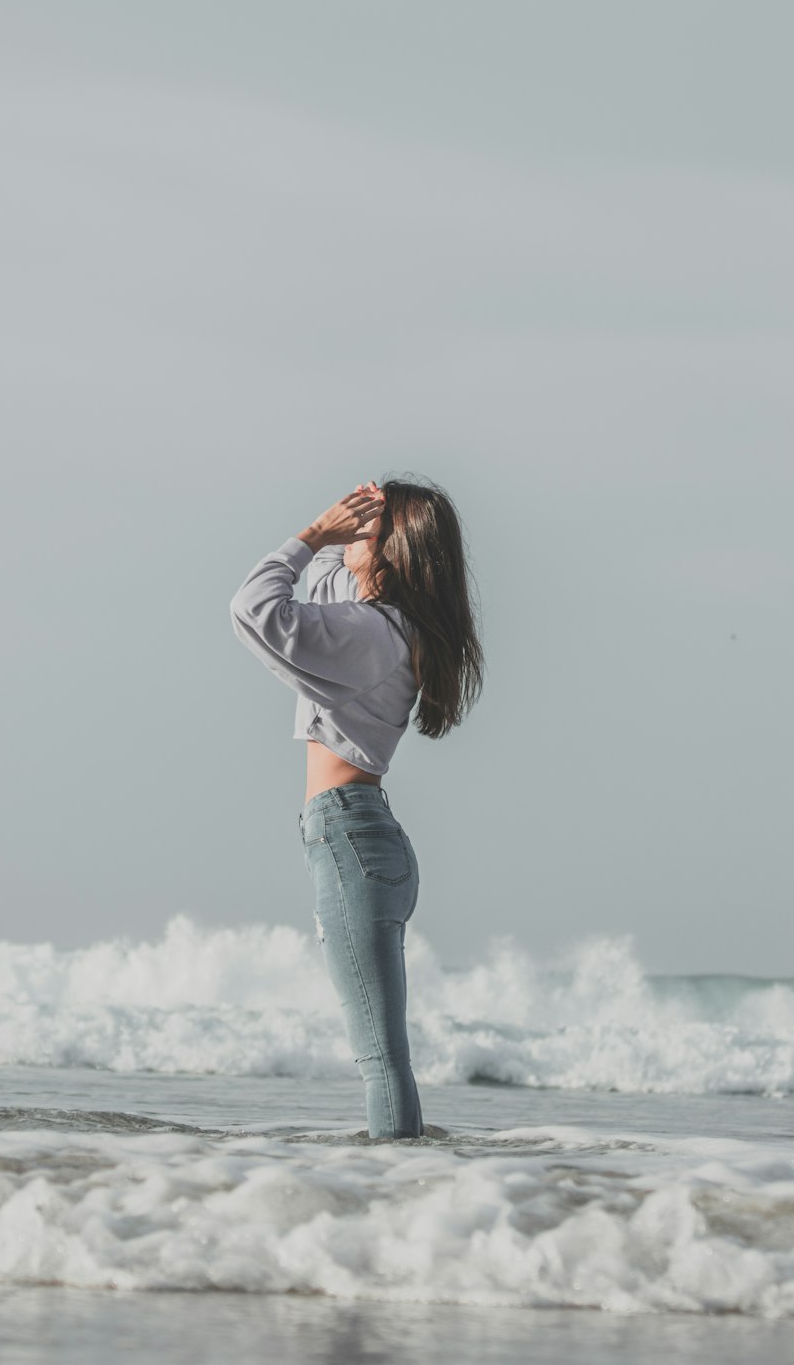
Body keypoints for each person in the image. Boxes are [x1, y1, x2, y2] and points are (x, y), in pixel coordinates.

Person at [229, 476, 484, 1138]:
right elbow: (328, 580)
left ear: (395, 550)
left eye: (371, 528)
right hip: (363, 841)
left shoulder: (370, 634)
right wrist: (346, 530)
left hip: (350, 843)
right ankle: (401, 1191)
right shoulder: (383, 622)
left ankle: (401, 1201)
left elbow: (254, 608)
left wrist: (314, 531)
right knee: (381, 1053)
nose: (354, 535)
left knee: (379, 1059)